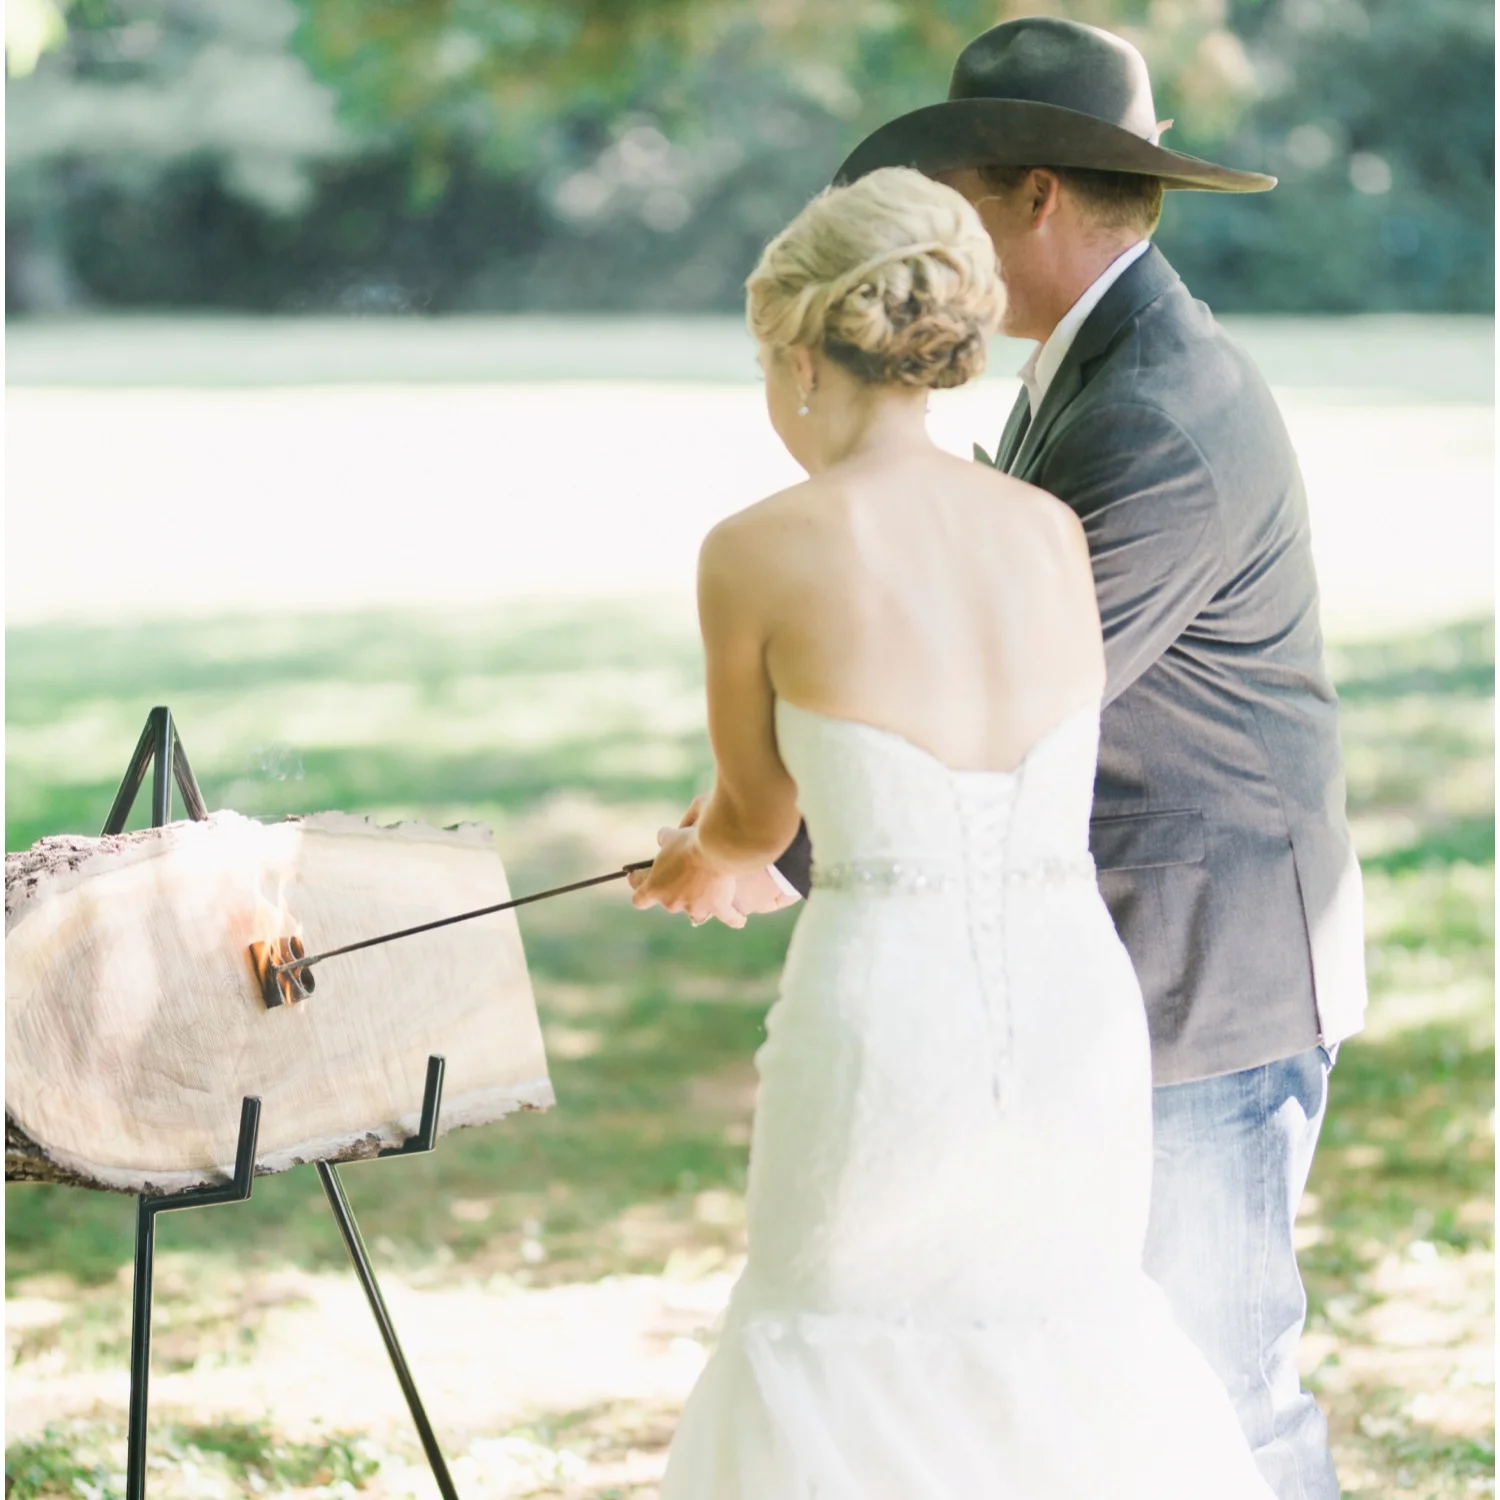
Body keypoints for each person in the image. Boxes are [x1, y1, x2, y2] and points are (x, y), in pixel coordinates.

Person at [650, 18, 1368, 1498]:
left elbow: (1007, 705)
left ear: (1034, 193)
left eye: (956, 194)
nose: (941, 242)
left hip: (1203, 957)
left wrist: (747, 845)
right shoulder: (1089, 369)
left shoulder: (1158, 405)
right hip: (1077, 958)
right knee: (1041, 1386)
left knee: (1213, 1394)